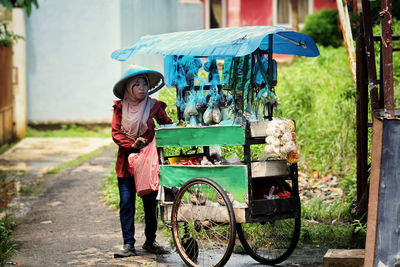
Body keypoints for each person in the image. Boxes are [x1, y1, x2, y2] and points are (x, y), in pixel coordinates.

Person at [111, 65, 173, 257]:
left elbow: (166, 124)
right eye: (137, 84)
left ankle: (150, 241)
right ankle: (128, 244)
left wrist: (179, 127)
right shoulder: (120, 107)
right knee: (127, 203)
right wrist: (132, 144)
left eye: (144, 83)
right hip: (126, 164)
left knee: (150, 203)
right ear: (129, 87)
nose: (142, 87)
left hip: (148, 164)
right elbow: (116, 133)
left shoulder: (153, 106)